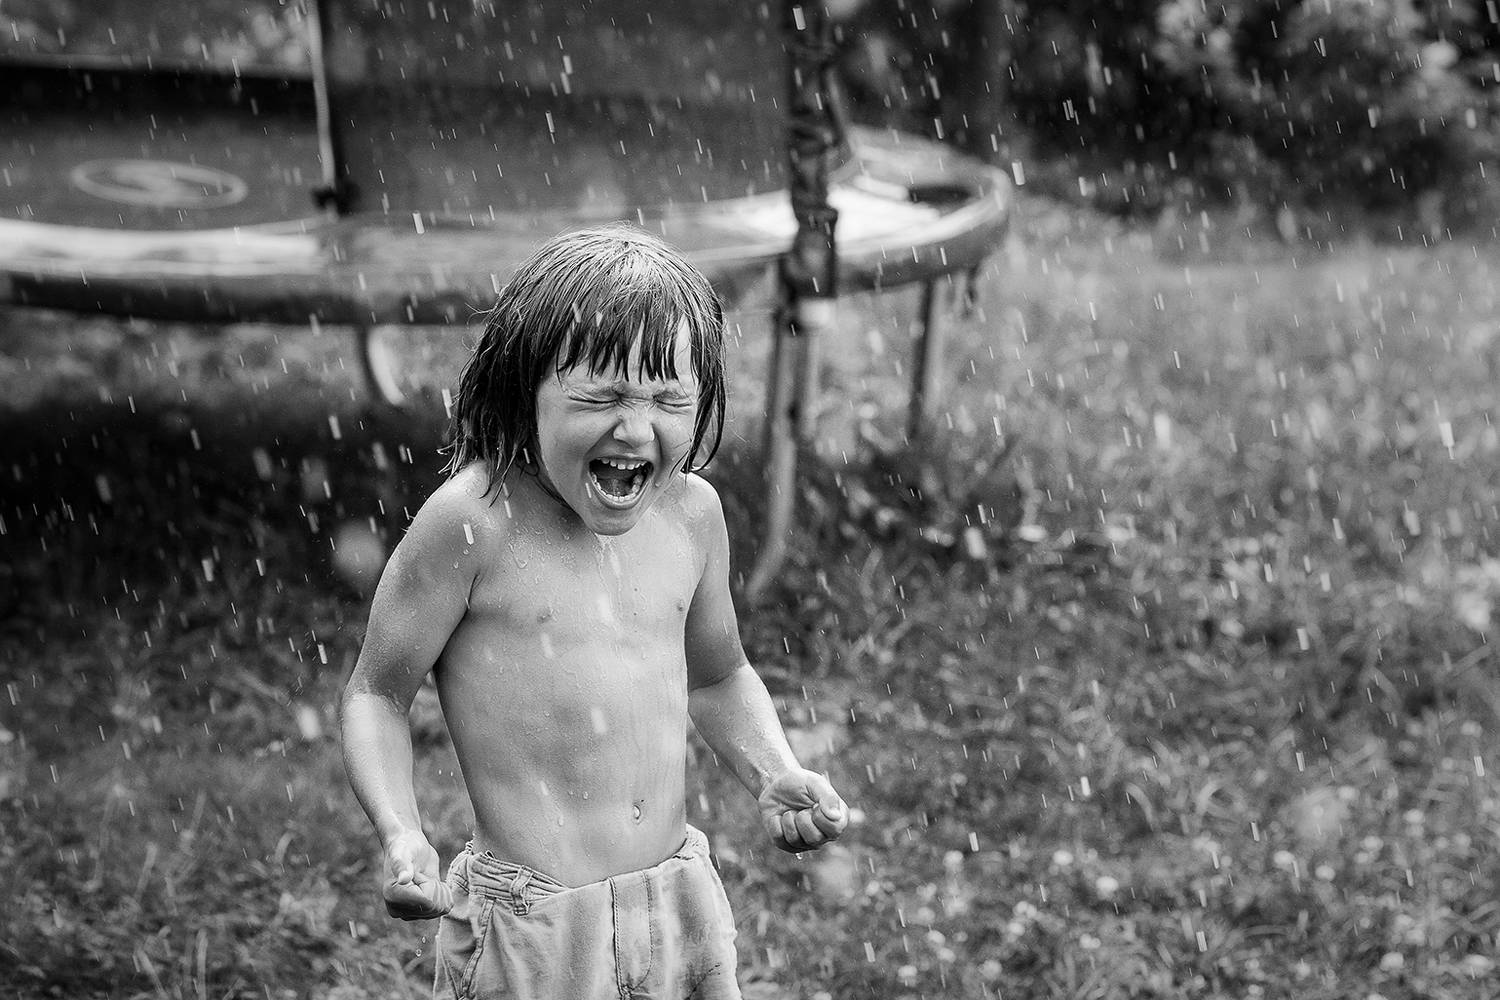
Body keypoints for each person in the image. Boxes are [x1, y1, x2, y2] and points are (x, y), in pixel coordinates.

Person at [339, 224, 849, 999]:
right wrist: (402, 834)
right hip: (534, 927)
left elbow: (718, 677)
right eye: (601, 396)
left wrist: (773, 769)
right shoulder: (473, 524)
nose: (635, 428)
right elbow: (377, 692)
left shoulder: (692, 516)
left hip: (674, 901)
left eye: (669, 399)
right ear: (524, 390)